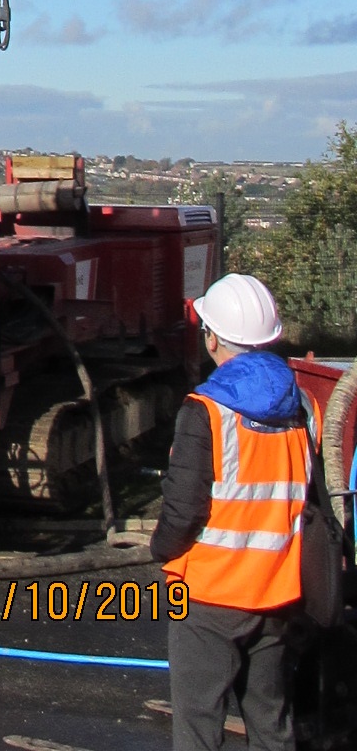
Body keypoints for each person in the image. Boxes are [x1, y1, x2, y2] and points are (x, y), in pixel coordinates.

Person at [151, 273, 321, 751]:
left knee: (199, 727)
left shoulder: (205, 411)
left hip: (208, 594)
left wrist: (161, 551)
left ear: (213, 338)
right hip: (279, 592)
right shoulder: (304, 406)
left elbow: (182, 510)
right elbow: (312, 500)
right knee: (272, 721)